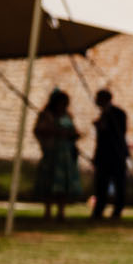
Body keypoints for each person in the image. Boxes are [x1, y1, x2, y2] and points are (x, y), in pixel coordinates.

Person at [33, 88, 85, 221]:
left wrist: (72, 135)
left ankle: (61, 211)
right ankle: (48, 211)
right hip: (52, 153)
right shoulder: (47, 115)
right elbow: (39, 130)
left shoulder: (67, 116)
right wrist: (55, 131)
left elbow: (72, 131)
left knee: (63, 185)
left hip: (66, 155)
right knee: (50, 183)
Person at [89, 89, 131, 222]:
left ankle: (117, 210)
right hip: (103, 156)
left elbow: (119, 132)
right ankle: (99, 210)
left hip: (116, 154)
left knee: (119, 183)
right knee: (101, 183)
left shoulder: (117, 114)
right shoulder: (103, 114)